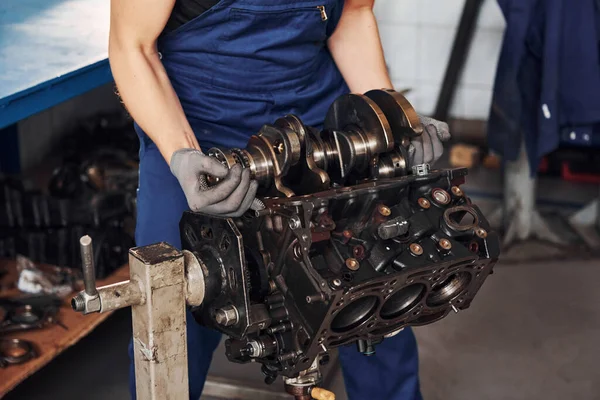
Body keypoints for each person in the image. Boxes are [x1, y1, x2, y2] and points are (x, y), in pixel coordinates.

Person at [108, 0, 450, 399]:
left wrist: (389, 119)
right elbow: (132, 45)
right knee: (173, 315)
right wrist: (181, 154)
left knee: (381, 293)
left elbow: (352, 15)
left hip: (318, 133)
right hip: (196, 134)